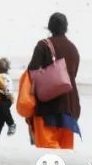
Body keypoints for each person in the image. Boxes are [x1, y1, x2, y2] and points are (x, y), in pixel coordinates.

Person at [26, 11, 81, 150]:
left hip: (47, 106)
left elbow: (32, 71)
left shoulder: (43, 45)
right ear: (66, 27)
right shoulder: (73, 48)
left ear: (49, 27)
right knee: (66, 149)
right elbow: (73, 75)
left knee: (47, 149)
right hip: (70, 106)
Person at [0, 58, 18, 136]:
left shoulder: (4, 76)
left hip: (5, 98)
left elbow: (7, 88)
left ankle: (11, 124)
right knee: (0, 114)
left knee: (4, 110)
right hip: (0, 98)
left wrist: (9, 94)